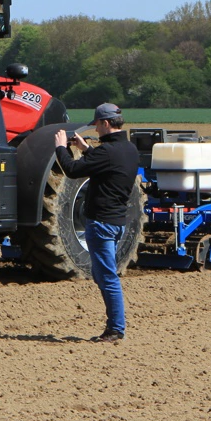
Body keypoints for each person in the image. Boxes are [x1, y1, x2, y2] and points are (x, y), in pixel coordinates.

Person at [52, 102, 139, 344]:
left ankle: (115, 329)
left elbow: (71, 170)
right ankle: (115, 327)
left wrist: (61, 147)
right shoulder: (129, 149)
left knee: (107, 277)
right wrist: (86, 149)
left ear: (106, 123)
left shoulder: (106, 152)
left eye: (98, 125)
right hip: (117, 222)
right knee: (104, 275)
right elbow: (107, 165)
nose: (96, 130)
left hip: (101, 224)